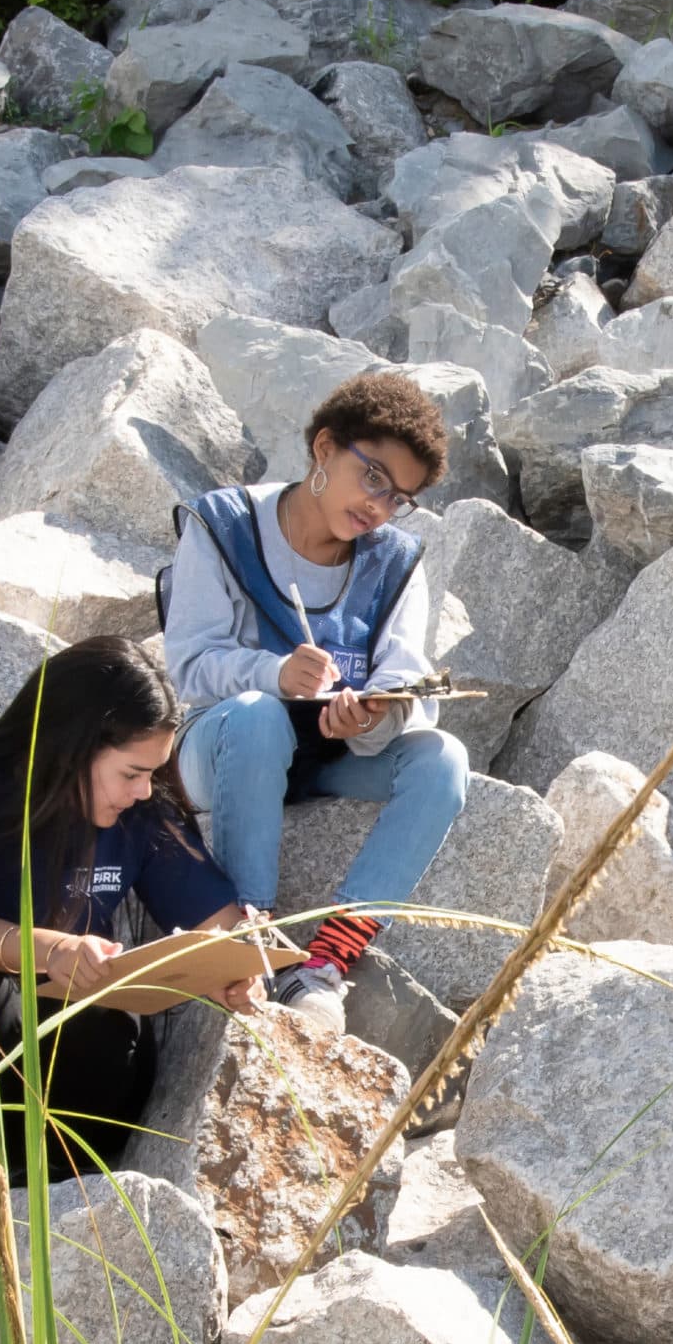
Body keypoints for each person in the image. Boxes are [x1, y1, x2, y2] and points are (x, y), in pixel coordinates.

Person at [0, 635, 261, 1209]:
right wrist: (56, 951)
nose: (143, 791)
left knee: (118, 1026)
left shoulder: (142, 814)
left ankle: (66, 1195)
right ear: (72, 744)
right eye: (131, 772)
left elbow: (220, 924)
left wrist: (238, 968)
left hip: (81, 1079)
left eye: (153, 774)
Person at [167, 371, 470, 1036]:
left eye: (401, 499)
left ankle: (327, 963)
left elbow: (408, 681)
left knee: (443, 759)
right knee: (256, 715)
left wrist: (375, 716)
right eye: (373, 478)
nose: (381, 509)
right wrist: (274, 673)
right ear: (325, 448)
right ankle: (251, 943)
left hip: (328, 753)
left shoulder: (396, 561)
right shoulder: (220, 524)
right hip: (219, 747)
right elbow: (188, 663)